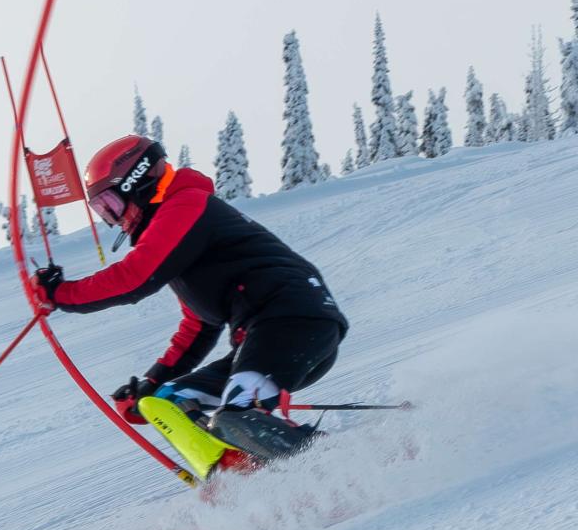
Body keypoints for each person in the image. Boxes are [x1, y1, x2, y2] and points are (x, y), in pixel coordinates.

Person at [30, 134, 349, 480]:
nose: (113, 219)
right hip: (266, 336)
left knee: (237, 416)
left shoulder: (186, 206)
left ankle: (338, 468)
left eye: (110, 204)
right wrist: (152, 384)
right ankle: (236, 482)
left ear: (136, 182)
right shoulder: (178, 230)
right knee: (169, 402)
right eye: (101, 210)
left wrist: (61, 294)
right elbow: (198, 326)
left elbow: (136, 277)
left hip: (293, 323)